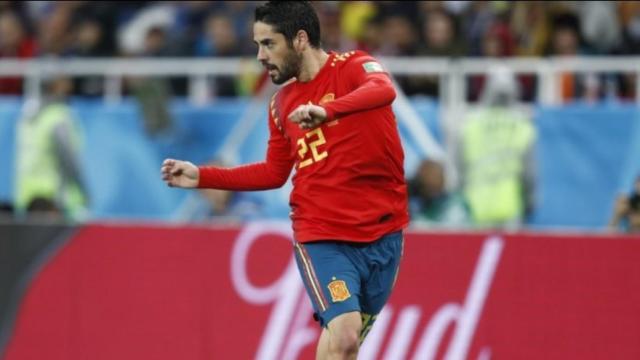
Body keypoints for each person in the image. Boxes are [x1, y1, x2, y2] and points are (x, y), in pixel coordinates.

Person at [161, 2, 408, 358]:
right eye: (257, 45)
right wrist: (203, 176)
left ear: (300, 39)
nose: (260, 55)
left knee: (342, 346)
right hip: (323, 236)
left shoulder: (354, 67)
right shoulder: (280, 104)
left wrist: (328, 110)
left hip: (385, 234)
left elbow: (384, 90)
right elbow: (274, 173)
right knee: (345, 335)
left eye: (268, 43)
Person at [459, 65, 536, 229]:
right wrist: (530, 201)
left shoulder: (471, 125)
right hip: (510, 207)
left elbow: (460, 168)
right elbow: (530, 173)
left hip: (475, 207)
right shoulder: (523, 126)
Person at [14, 76, 89, 222]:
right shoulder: (59, 117)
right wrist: (84, 190)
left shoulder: (26, 118)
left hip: (26, 195)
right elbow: (69, 157)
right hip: (53, 196)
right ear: (57, 87)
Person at [408, 159, 469, 228]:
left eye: (433, 175)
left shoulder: (455, 203)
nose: (429, 180)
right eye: (424, 176)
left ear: (443, 178)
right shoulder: (415, 201)